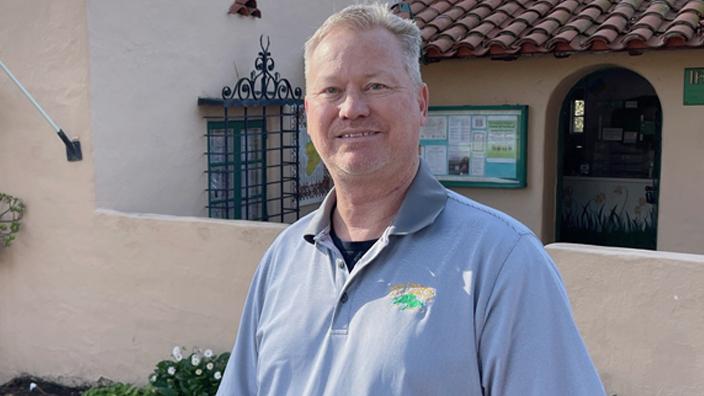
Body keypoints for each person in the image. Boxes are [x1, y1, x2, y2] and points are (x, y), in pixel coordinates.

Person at [216, 3, 607, 396]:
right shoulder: (283, 259)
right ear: (308, 112)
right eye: (331, 90)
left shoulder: (502, 259)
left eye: (376, 86)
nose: (352, 109)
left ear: (421, 104)